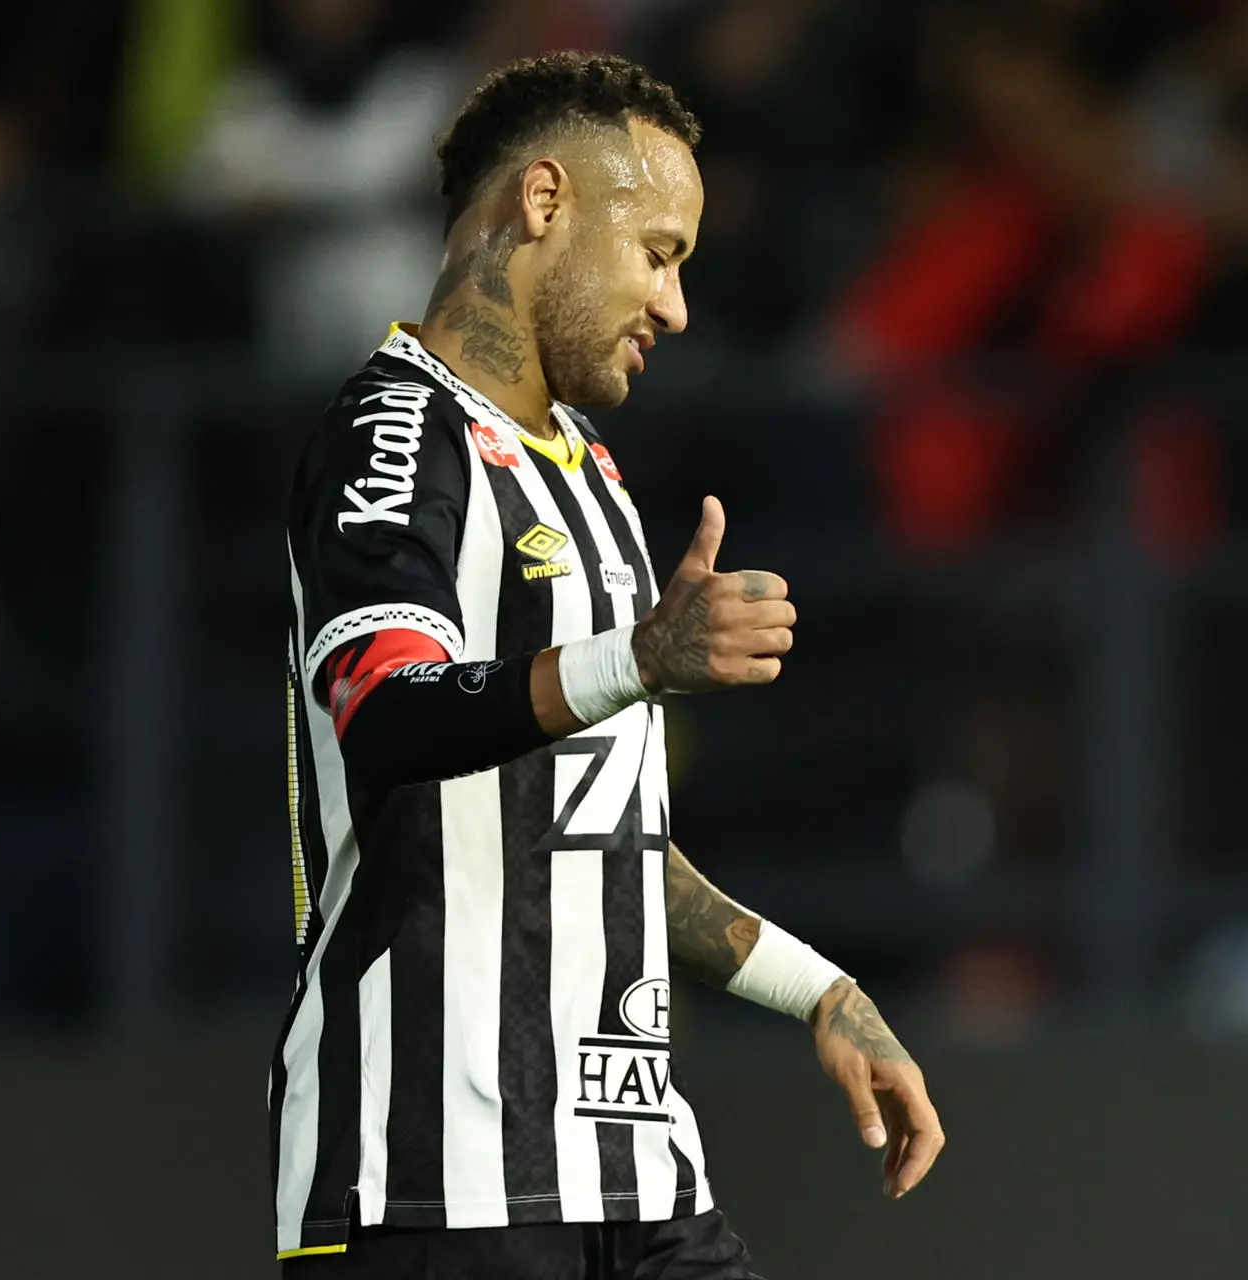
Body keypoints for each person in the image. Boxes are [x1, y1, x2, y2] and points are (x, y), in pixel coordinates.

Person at [273, 51, 944, 1278]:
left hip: (633, 1174)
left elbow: (599, 836)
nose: (676, 306)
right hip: (433, 1179)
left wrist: (819, 989)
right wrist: (633, 655)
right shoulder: (394, 433)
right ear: (544, 201)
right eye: (658, 252)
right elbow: (385, 708)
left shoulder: (591, 473)